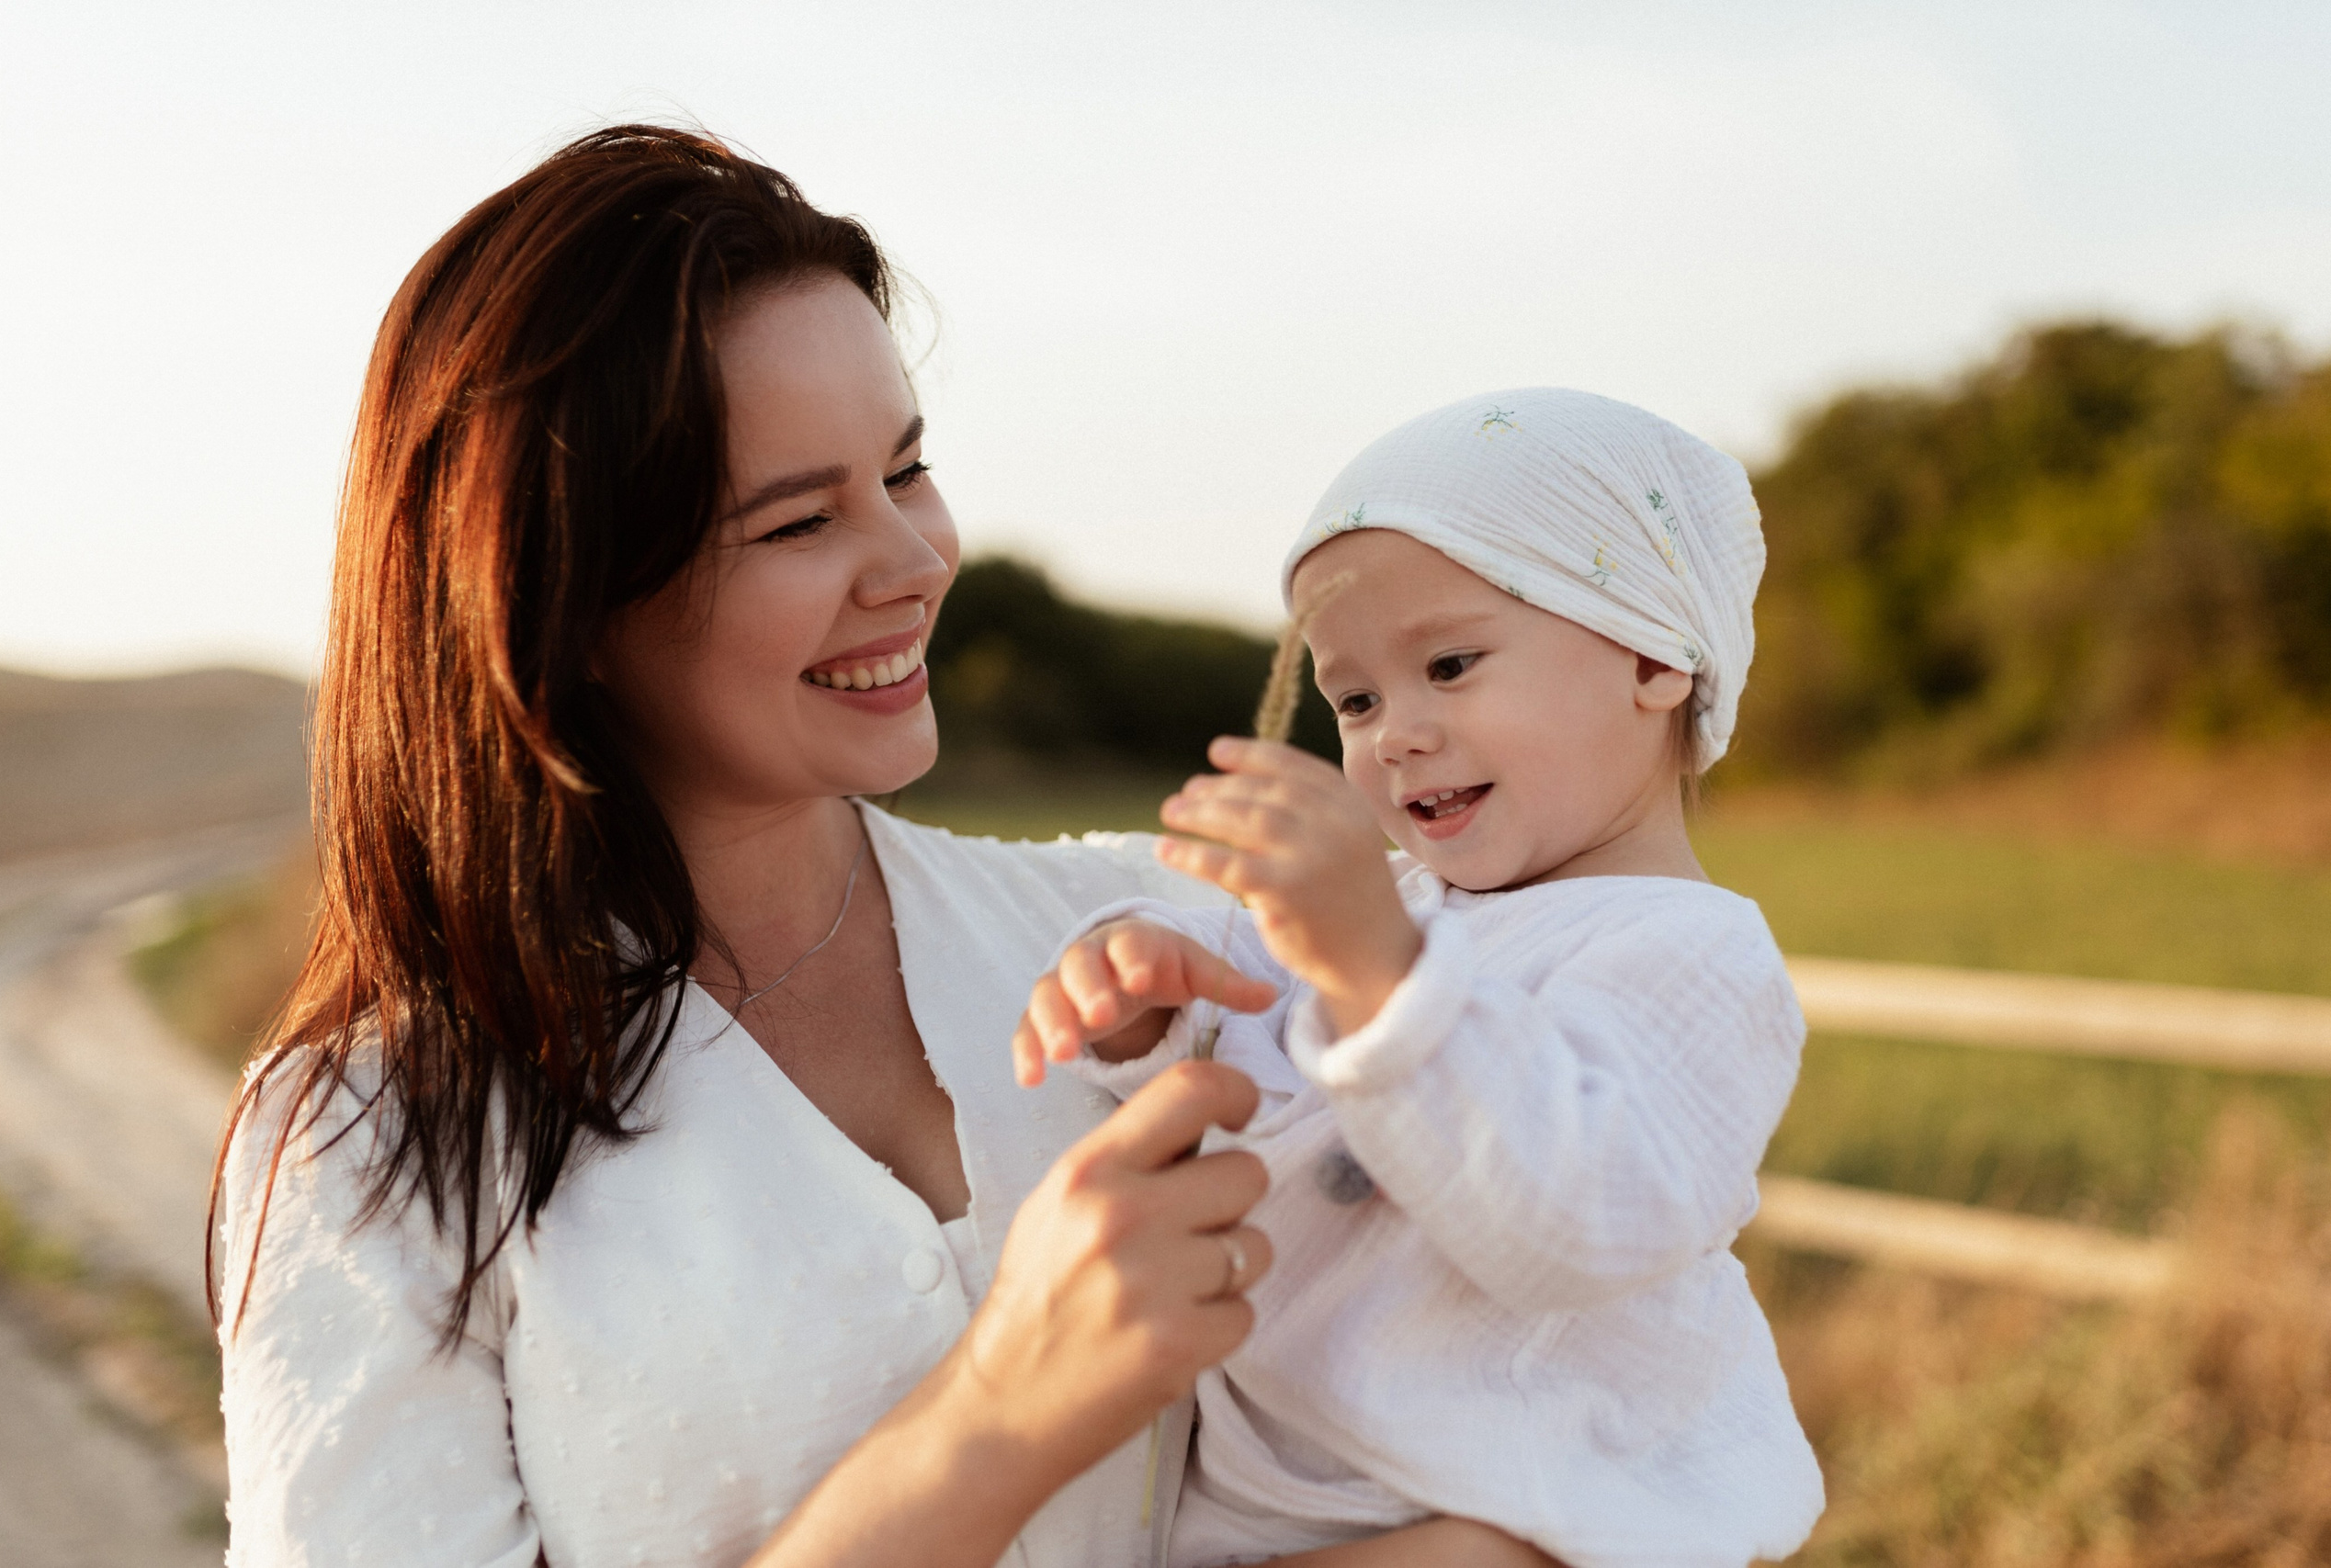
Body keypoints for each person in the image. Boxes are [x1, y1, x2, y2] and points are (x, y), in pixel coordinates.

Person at [211, 126, 1556, 1568]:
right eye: (799, 519)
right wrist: (1000, 1412)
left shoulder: (1168, 933)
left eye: (906, 470)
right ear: (563, 600)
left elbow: (1586, 1216)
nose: (918, 559)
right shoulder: (372, 1138)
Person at [1013, 390, 1827, 1567]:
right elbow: (1259, 1005)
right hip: (1269, 1504)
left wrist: (1376, 969)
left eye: (1448, 664)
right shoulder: (1398, 908)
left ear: (1654, 655)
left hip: (1527, 1501)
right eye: (1354, 699)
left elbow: (1579, 1221)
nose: (1394, 732)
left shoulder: (1685, 952)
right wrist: (1149, 990)